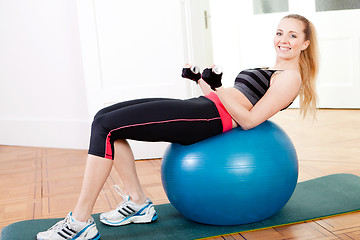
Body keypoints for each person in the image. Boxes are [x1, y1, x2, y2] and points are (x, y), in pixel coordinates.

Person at [36, 13, 319, 240]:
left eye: (293, 35)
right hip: (202, 107)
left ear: (305, 44)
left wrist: (218, 89)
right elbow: (236, 98)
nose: (284, 40)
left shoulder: (291, 78)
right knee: (104, 119)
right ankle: (138, 204)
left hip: (208, 119)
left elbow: (248, 120)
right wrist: (200, 80)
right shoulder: (273, 70)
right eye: (280, 32)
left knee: (107, 125)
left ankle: (80, 221)